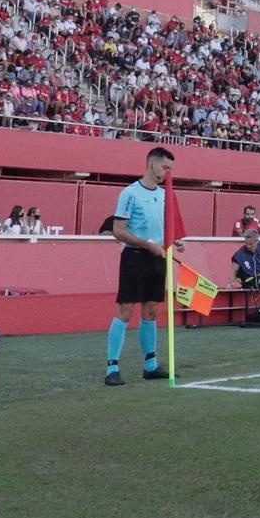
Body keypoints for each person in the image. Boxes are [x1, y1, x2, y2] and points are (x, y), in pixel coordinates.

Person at [104, 146, 177, 385]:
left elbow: (166, 226)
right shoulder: (129, 193)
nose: (167, 172)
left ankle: (150, 365)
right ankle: (112, 368)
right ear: (151, 164)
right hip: (134, 258)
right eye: (164, 167)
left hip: (157, 258)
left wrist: (175, 242)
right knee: (125, 311)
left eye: (169, 168)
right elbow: (118, 231)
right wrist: (147, 245)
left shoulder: (166, 194)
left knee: (151, 310)